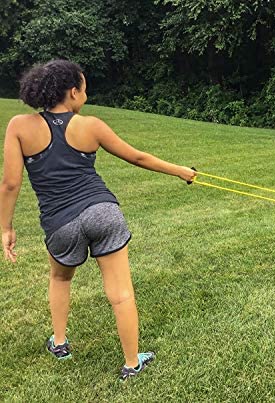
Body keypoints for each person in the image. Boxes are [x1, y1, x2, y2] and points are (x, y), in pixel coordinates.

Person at [0, 59, 196, 380]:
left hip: (59, 224)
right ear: (73, 92)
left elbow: (9, 184)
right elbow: (137, 156)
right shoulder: (90, 125)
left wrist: (6, 227)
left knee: (61, 278)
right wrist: (181, 171)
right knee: (121, 292)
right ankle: (131, 363)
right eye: (85, 89)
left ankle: (60, 343)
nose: (86, 96)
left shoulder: (20, 126)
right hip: (103, 211)